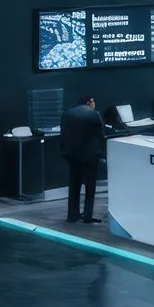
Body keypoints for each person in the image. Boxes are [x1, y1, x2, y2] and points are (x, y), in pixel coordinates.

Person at [59, 93, 105, 223]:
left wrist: (64, 151)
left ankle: (72, 215)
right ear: (90, 102)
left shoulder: (67, 114)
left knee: (74, 184)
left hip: (71, 154)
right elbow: (100, 135)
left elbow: (63, 134)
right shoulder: (94, 114)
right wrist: (102, 153)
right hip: (90, 155)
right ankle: (87, 216)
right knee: (90, 185)